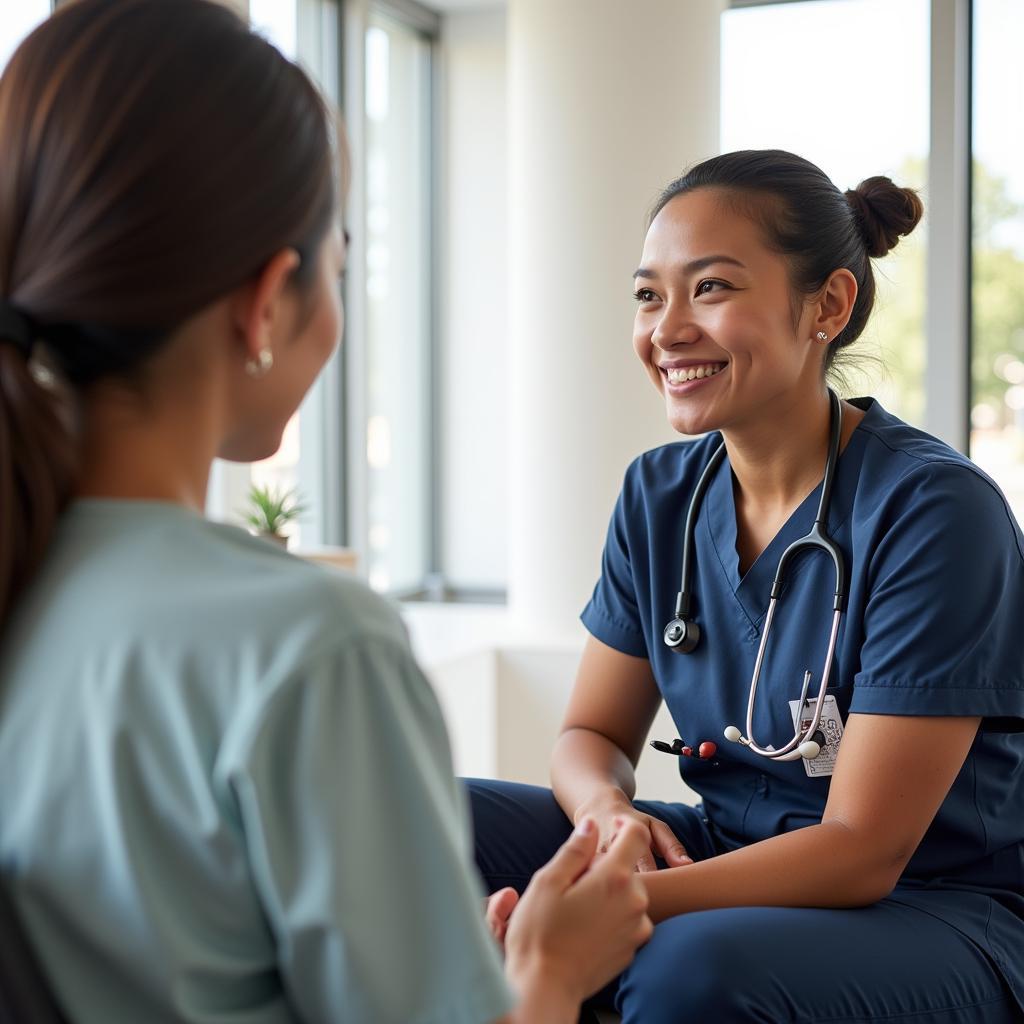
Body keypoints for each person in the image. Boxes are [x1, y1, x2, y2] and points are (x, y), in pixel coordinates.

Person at [0, 2, 653, 1022]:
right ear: (266, 303)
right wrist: (548, 974)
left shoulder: (33, 585)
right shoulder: (309, 645)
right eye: (339, 271)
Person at [467, 150, 1024, 1023]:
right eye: (650, 295)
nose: (668, 329)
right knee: (428, 829)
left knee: (689, 969)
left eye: (712, 289)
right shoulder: (660, 494)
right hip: (723, 848)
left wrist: (607, 911)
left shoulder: (935, 512)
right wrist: (609, 821)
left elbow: (862, 850)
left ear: (828, 306)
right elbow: (587, 733)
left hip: (934, 903)